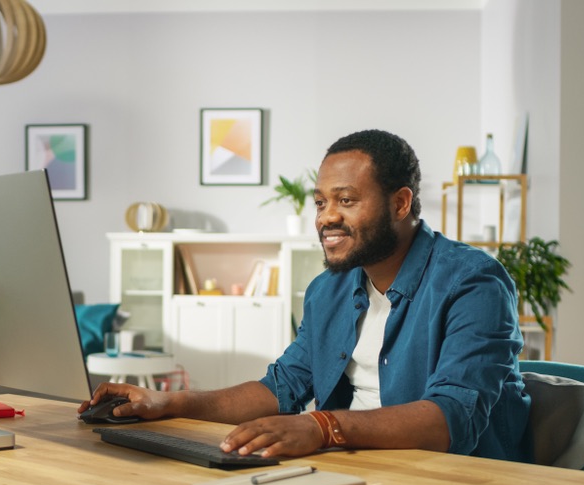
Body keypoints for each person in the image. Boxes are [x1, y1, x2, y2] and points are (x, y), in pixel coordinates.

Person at [80, 129, 531, 464]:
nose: (326, 218)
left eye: (346, 200)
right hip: (352, 469)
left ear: (400, 204)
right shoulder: (328, 290)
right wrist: (169, 402)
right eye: (319, 203)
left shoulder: (474, 284)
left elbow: (450, 418)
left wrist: (321, 426)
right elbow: (284, 387)